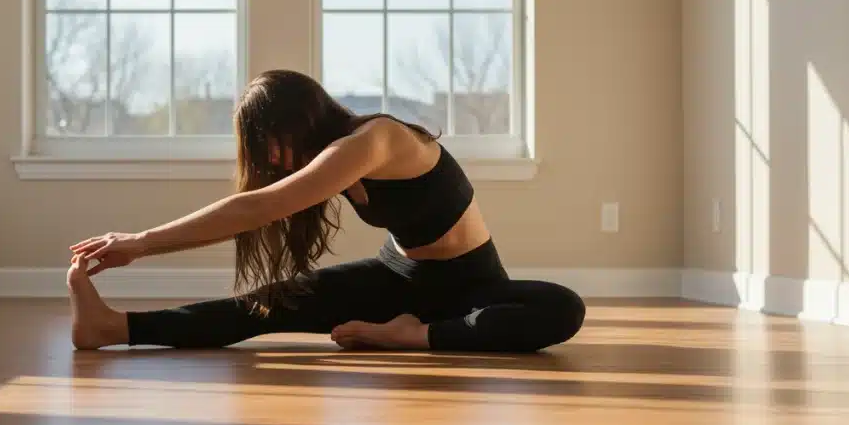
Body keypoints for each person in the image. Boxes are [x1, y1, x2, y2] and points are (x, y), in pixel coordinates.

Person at [65, 69, 586, 352]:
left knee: (564, 308)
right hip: (396, 277)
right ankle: (114, 328)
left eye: (272, 142)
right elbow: (259, 206)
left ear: (304, 119)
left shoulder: (375, 139)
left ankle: (414, 336)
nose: (270, 158)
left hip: (471, 284)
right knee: (264, 306)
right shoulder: (331, 156)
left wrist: (140, 242)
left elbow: (260, 205)